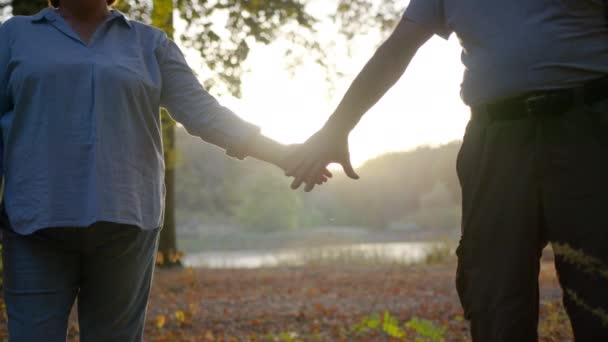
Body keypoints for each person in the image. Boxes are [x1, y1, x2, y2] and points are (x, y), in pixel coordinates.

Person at [0, 0, 328, 341]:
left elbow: (203, 113)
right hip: (35, 224)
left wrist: (284, 155)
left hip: (126, 222)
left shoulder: (150, 43)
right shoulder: (14, 36)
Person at [287, 0, 608, 341]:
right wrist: (337, 128)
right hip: (496, 138)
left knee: (598, 282)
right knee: (494, 288)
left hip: (589, 126)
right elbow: (396, 50)